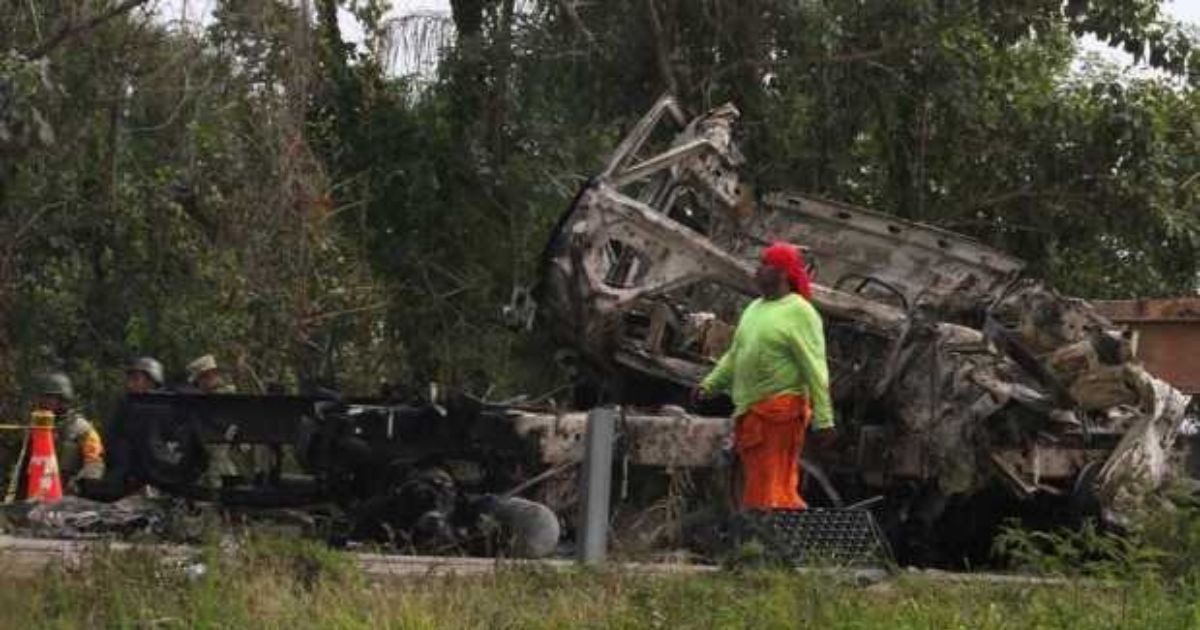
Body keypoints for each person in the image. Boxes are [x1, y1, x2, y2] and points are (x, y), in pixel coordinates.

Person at [696, 242, 835, 510]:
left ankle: (770, 543)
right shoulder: (755, 308)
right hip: (751, 412)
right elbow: (736, 354)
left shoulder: (801, 312)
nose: (757, 270)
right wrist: (710, 384)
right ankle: (766, 542)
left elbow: (815, 369)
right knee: (762, 487)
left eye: (764, 265)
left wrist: (824, 419)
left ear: (783, 273)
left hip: (780, 412)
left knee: (771, 489)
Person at [30, 371, 105, 493]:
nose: (45, 401)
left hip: (67, 494)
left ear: (63, 399)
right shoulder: (35, 426)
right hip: (35, 490)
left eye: (50, 397)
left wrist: (79, 483)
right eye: (44, 396)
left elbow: (95, 462)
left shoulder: (81, 428)